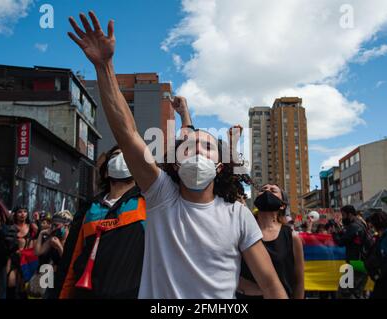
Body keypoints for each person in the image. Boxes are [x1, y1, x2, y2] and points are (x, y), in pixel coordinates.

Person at [67, 11, 287, 299]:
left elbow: (270, 285)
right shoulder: (160, 196)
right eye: (187, 146)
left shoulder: (238, 215)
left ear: (220, 166)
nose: (196, 151)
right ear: (174, 162)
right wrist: (105, 66)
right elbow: (127, 133)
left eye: (206, 146)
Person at [53, 146, 146, 299]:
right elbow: (71, 261)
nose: (121, 158)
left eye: (127, 153)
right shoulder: (89, 209)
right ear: (106, 170)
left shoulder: (148, 205)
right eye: (116, 155)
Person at [237, 184, 305, 299]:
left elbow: (298, 281)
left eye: (273, 191)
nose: (267, 191)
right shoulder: (242, 231)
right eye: (263, 190)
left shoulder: (292, 237)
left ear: (282, 205)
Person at [331, 205, 370, 299]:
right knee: (356, 291)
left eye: (344, 215)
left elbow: (341, 242)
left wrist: (334, 233)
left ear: (350, 214)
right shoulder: (360, 224)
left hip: (356, 262)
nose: (343, 218)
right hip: (360, 261)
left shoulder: (354, 226)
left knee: (345, 291)